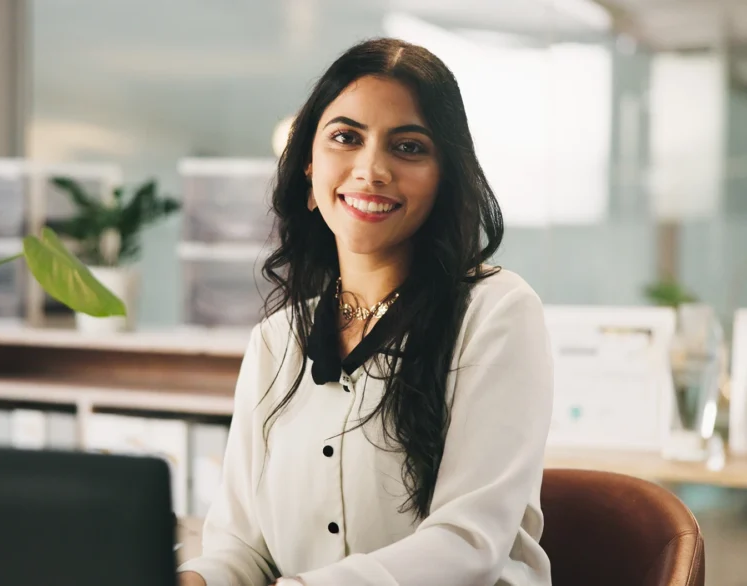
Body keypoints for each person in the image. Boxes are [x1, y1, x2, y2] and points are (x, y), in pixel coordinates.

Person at [178, 37, 553, 586]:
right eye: (346, 138)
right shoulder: (276, 340)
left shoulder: (497, 314)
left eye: (408, 147)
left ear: (444, 179)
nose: (371, 170)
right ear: (308, 168)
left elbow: (469, 543)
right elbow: (240, 545)